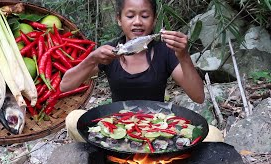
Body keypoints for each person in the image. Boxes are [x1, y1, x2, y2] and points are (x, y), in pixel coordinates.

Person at [60, 0, 223, 142]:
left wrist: (184, 55)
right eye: (130, 16)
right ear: (119, 19)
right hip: (116, 127)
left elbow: (198, 96)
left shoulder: (164, 52)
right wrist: (92, 59)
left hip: (159, 128)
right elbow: (65, 86)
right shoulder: (109, 52)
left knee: (213, 135)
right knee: (73, 119)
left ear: (154, 21)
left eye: (145, 16)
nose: (137, 22)